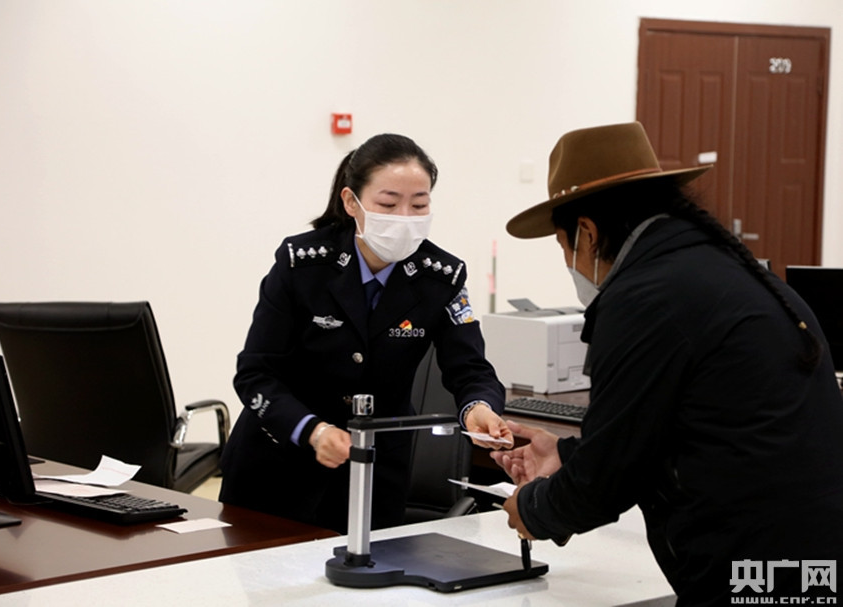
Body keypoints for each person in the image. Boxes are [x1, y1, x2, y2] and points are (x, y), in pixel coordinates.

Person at [492, 122, 843, 605]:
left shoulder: (645, 298)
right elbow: (659, 426)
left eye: (562, 245)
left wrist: (531, 510)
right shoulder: (719, 269)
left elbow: (606, 483)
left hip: (750, 561)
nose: (570, 263)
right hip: (806, 557)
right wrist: (567, 455)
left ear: (587, 233)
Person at [220, 133, 512, 533]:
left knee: (371, 573)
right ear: (351, 201)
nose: (405, 218)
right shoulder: (301, 266)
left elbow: (471, 369)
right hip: (278, 465)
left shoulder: (441, 278)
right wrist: (312, 430)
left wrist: (478, 408)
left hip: (376, 473)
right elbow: (255, 373)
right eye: (388, 204)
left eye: (419, 205)